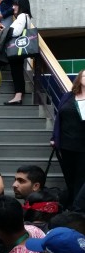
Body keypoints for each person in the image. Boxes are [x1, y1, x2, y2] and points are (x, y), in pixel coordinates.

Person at [0, 0, 33, 105]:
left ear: (21, 6)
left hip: (15, 49)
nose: (13, 7)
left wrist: (4, 30)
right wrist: (4, 29)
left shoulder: (22, 16)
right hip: (17, 48)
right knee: (16, 71)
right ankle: (17, 95)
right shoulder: (25, 17)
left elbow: (15, 32)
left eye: (15, 5)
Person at [52, 68, 85, 212]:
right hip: (66, 144)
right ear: (79, 78)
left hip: (83, 145)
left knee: (81, 177)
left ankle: (77, 209)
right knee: (69, 176)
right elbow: (59, 118)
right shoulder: (68, 96)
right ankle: (70, 205)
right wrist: (54, 137)